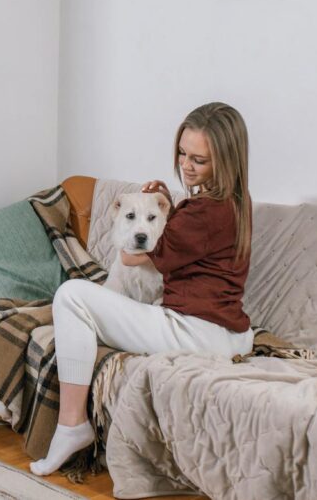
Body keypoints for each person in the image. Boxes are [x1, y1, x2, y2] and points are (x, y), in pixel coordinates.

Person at [30, 102, 255, 476]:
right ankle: (72, 423)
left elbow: (133, 255)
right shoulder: (234, 201)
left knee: (70, 295)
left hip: (193, 331)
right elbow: (189, 238)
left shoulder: (204, 211)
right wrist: (166, 201)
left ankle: (72, 425)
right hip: (229, 332)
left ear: (226, 159)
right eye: (182, 153)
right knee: (83, 301)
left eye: (198, 160)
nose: (186, 165)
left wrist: (154, 214)